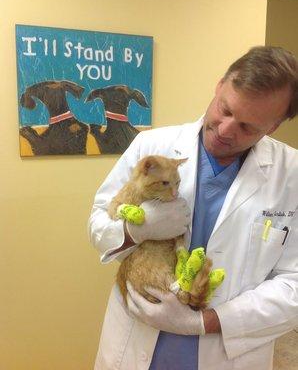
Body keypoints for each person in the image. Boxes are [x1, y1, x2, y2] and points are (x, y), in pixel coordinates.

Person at [88, 46, 298, 370]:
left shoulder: (291, 174)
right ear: (220, 85)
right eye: (224, 109)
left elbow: (293, 284)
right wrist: (133, 230)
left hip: (228, 351)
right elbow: (99, 223)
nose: (226, 130)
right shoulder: (152, 146)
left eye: (248, 127)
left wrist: (207, 322)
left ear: (272, 128)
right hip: (136, 340)